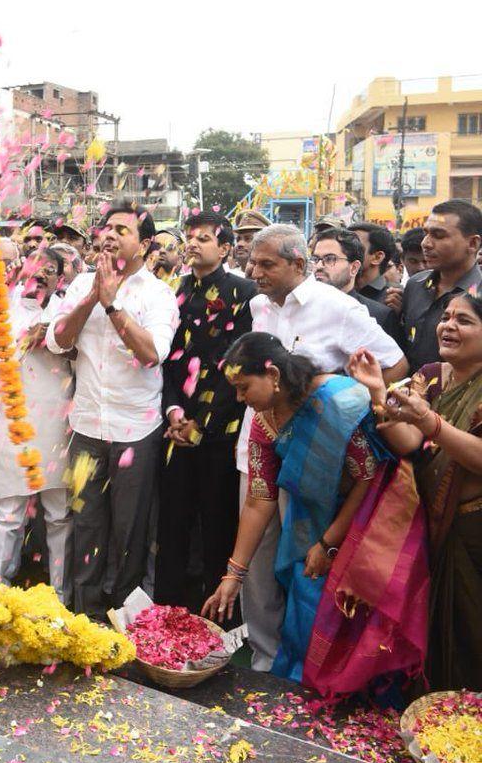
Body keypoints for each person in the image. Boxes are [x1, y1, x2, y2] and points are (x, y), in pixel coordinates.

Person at [204, 333, 429, 696]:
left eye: (244, 387)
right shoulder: (265, 421)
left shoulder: (339, 402)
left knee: (353, 626)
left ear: (273, 374)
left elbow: (367, 479)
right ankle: (307, 699)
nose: (240, 399)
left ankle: (349, 705)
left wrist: (328, 544)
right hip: (309, 524)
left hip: (364, 527)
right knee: (304, 616)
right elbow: (260, 498)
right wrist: (235, 574)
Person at [236, 223, 408, 670]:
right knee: (259, 562)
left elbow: (395, 364)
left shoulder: (338, 308)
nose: (255, 271)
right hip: (258, 446)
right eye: (253, 262)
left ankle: (307, 664)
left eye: (267, 264)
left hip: (323, 462)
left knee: (308, 567)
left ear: (298, 264)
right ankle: (265, 659)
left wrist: (345, 408)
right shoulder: (258, 305)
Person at [46, 201, 179, 618]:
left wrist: (112, 304)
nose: (109, 234)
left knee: (128, 532)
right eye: (106, 227)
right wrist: (92, 297)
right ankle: (85, 618)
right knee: (85, 527)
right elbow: (58, 341)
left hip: (134, 432)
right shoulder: (83, 282)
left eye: (122, 229)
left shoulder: (158, 294)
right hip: (86, 426)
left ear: (145, 244)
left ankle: (123, 619)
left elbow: (152, 353)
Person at [349, 294, 482, 691]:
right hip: (431, 522)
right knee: (436, 635)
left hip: (473, 531)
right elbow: (408, 442)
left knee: (470, 635)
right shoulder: (431, 375)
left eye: (465, 321)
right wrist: (377, 394)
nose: (448, 326)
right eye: (446, 317)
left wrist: (430, 421)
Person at [155, 211, 254, 609]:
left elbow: (243, 365)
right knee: (173, 521)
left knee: (217, 523)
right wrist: (175, 412)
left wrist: (206, 421)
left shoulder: (245, 293)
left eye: (204, 238)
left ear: (226, 248)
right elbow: (170, 361)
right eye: (189, 237)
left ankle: (217, 613)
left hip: (223, 430)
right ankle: (167, 611)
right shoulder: (173, 292)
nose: (193, 244)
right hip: (177, 426)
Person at [0, 248, 73, 601]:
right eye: (35, 267)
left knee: (59, 515)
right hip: (13, 421)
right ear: (22, 271)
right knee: (7, 514)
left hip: (57, 424)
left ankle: (60, 597)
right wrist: (16, 347)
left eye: (50, 270)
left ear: (59, 280)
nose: (41, 274)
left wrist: (50, 337)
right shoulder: (0, 311)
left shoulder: (67, 312)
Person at [396, 200, 482, 371]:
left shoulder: (478, 293)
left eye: (439, 235)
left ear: (472, 244)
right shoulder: (415, 285)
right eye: (426, 233)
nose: (426, 244)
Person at [312, 228, 404, 346]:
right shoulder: (302, 308)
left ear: (354, 268)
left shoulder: (377, 315)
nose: (319, 266)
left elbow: (397, 364)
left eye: (330, 259)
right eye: (315, 259)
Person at [349, 222, 397, 303]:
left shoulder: (395, 298)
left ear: (377, 257)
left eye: (354, 246)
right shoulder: (334, 291)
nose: (344, 251)